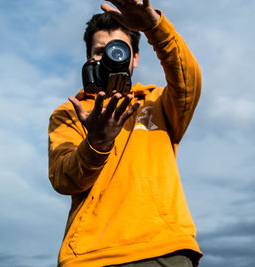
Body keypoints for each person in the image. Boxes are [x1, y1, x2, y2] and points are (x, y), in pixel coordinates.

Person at [48, 0, 202, 266]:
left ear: (135, 58)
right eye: (100, 51)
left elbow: (189, 79)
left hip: (163, 248)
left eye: (119, 50)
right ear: (89, 58)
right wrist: (97, 142)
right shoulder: (70, 112)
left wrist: (154, 25)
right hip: (91, 256)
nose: (110, 57)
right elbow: (64, 180)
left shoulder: (158, 103)